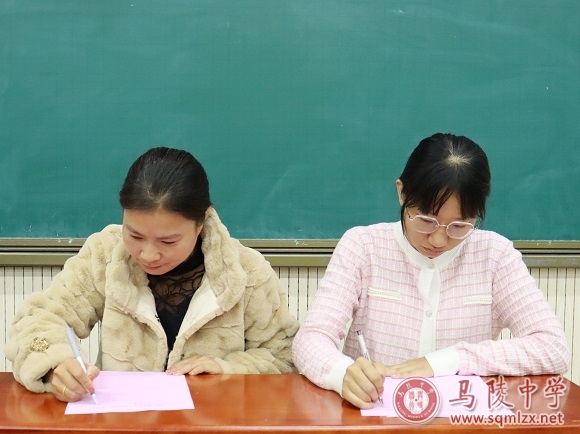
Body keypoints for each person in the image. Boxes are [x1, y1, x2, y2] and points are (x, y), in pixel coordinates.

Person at [292, 132, 570, 409]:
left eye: (459, 226)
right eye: (426, 221)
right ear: (402, 192)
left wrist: (452, 360)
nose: (438, 240)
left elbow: (552, 347)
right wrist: (342, 373)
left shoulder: (495, 256)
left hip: (459, 420)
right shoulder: (363, 247)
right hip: (375, 416)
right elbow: (310, 340)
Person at [7, 147, 299, 402]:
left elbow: (283, 354)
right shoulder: (105, 254)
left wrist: (228, 369)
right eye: (134, 235)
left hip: (212, 421)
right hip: (122, 423)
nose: (147, 254)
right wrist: (55, 364)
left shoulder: (246, 271)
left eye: (168, 241)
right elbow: (39, 319)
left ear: (201, 222)